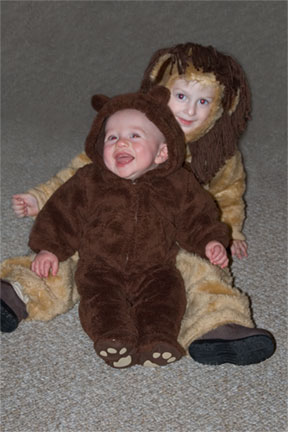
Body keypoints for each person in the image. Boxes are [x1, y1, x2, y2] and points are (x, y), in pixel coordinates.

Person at [1, 42, 275, 366]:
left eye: (203, 101)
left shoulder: (220, 154)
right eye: (181, 96)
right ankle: (18, 291)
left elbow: (224, 196)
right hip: (102, 240)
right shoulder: (124, 129)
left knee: (201, 271)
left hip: (172, 239)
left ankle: (217, 323)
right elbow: (70, 188)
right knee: (61, 255)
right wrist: (39, 198)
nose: (189, 111)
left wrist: (227, 235)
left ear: (222, 106)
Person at [28, 88, 230, 368]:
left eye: (135, 136)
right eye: (112, 137)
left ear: (162, 152)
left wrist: (210, 241)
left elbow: (197, 216)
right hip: (100, 266)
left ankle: (158, 338)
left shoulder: (178, 183)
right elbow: (62, 213)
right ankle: (113, 338)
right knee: (100, 302)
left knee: (168, 297)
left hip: (156, 267)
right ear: (100, 147)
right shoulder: (89, 181)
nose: (121, 143)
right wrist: (49, 247)